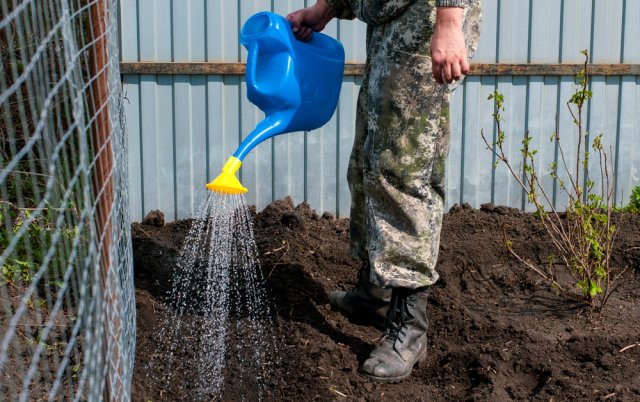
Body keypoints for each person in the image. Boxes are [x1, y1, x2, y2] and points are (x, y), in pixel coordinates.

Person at [287, 0, 482, 382]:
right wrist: (324, 10)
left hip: (426, 17)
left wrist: (448, 19)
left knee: (404, 167)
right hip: (393, 17)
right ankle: (375, 292)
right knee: (372, 156)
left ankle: (409, 328)